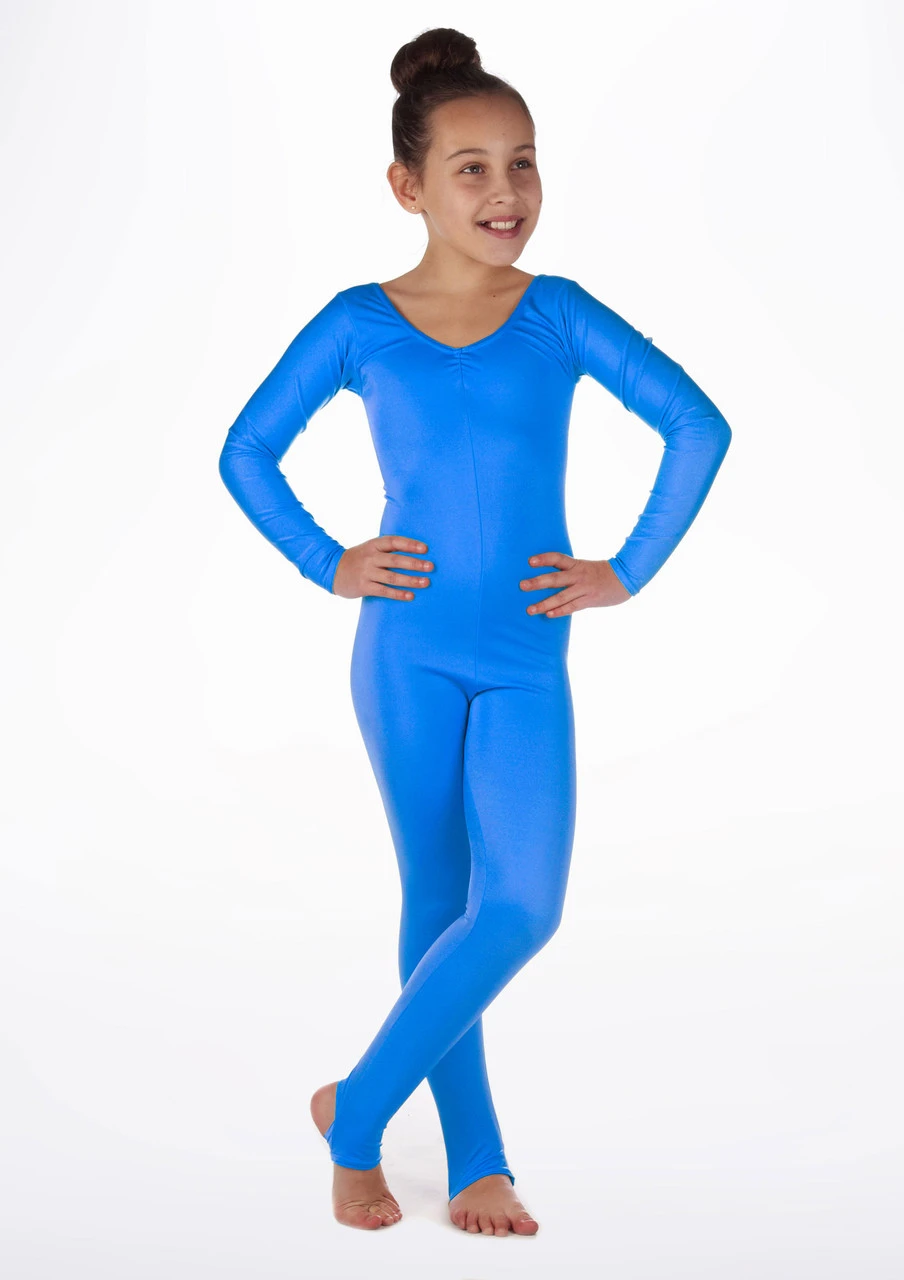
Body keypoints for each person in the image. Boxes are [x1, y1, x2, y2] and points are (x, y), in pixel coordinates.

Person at [218, 26, 732, 1238]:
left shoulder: (556, 313)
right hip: (404, 650)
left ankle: (355, 1109)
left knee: (521, 905)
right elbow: (245, 450)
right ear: (408, 186)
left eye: (523, 163)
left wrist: (626, 569)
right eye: (471, 168)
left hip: (523, 659)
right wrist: (328, 559)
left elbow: (698, 425)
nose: (506, 192)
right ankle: (478, 1160)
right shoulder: (361, 321)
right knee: (440, 892)